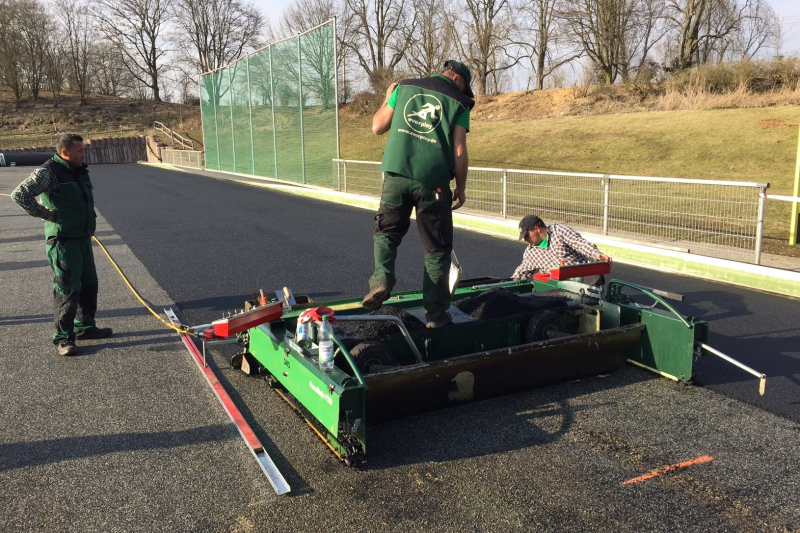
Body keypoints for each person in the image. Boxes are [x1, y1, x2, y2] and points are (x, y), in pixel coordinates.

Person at [361, 60, 475, 328]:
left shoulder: (405, 87)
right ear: (458, 79)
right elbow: (459, 150)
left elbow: (377, 126)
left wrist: (388, 98)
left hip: (396, 176)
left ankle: (381, 282)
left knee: (386, 233)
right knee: (437, 250)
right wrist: (460, 186)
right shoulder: (460, 102)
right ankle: (435, 315)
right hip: (433, 183)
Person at [12, 133, 113, 357]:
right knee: (67, 287)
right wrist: (45, 214)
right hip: (63, 240)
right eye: (80, 151)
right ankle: (63, 339)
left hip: (82, 237)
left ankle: (85, 327)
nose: (83, 154)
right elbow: (20, 194)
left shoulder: (78, 171)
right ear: (65, 152)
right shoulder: (49, 172)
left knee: (89, 284)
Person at [512, 215, 613, 284]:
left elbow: (579, 243)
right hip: (557, 290)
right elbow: (521, 273)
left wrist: (596, 254)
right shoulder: (530, 253)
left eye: (526, 235)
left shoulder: (559, 231)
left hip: (581, 281)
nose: (525, 239)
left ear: (537, 229)